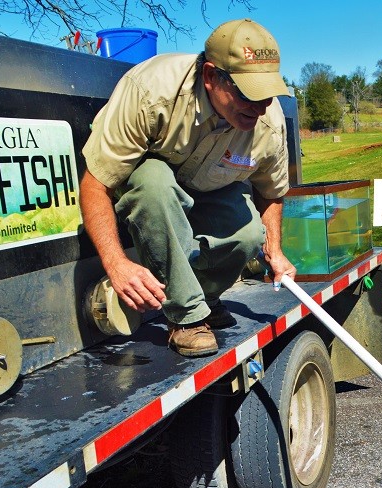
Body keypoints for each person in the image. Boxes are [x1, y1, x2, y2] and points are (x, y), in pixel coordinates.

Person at [80, 18, 297, 357]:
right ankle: (186, 316)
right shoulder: (151, 90)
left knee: (251, 234)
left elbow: (271, 192)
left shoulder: (268, 123)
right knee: (154, 181)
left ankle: (205, 298)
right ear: (211, 77)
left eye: (268, 95)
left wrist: (275, 250)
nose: (260, 107)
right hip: (151, 184)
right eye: (248, 95)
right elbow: (96, 185)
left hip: (209, 183)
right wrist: (116, 263)